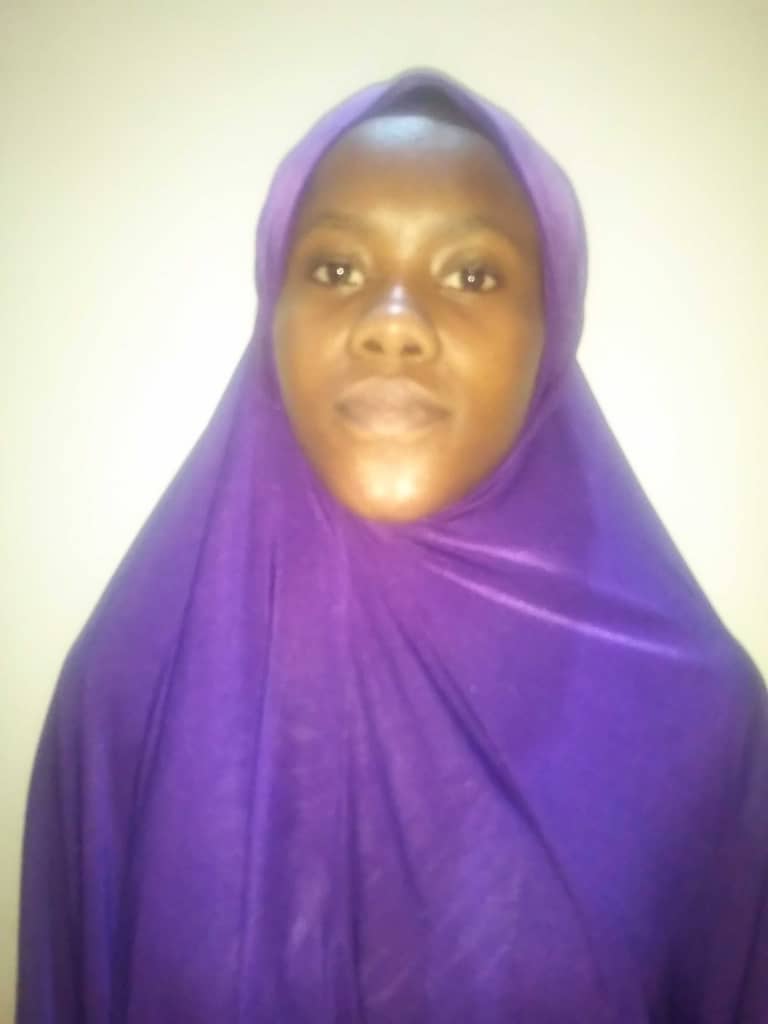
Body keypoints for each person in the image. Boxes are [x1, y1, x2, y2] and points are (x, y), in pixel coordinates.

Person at [16, 67, 767, 1022]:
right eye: (336, 269)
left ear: (551, 329)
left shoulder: (700, 727)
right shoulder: (129, 695)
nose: (393, 326)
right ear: (273, 314)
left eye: (471, 274)